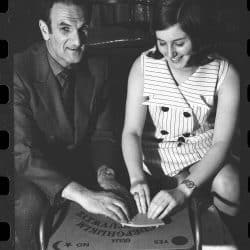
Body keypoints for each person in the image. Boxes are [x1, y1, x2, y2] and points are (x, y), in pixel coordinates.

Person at [14, 0, 130, 249]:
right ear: (45, 30)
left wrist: (105, 173)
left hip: (79, 165)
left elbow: (104, 134)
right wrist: (82, 194)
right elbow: (21, 153)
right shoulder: (17, 71)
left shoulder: (100, 68)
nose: (78, 42)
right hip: (29, 173)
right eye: (65, 28)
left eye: (84, 28)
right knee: (28, 205)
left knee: (119, 199)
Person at [122, 0, 240, 241]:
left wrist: (184, 190)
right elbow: (131, 132)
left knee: (230, 184)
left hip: (202, 158)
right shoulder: (143, 66)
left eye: (179, 43)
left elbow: (220, 144)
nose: (170, 53)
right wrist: (136, 179)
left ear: (198, 35)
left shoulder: (224, 73)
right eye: (161, 43)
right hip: (155, 161)